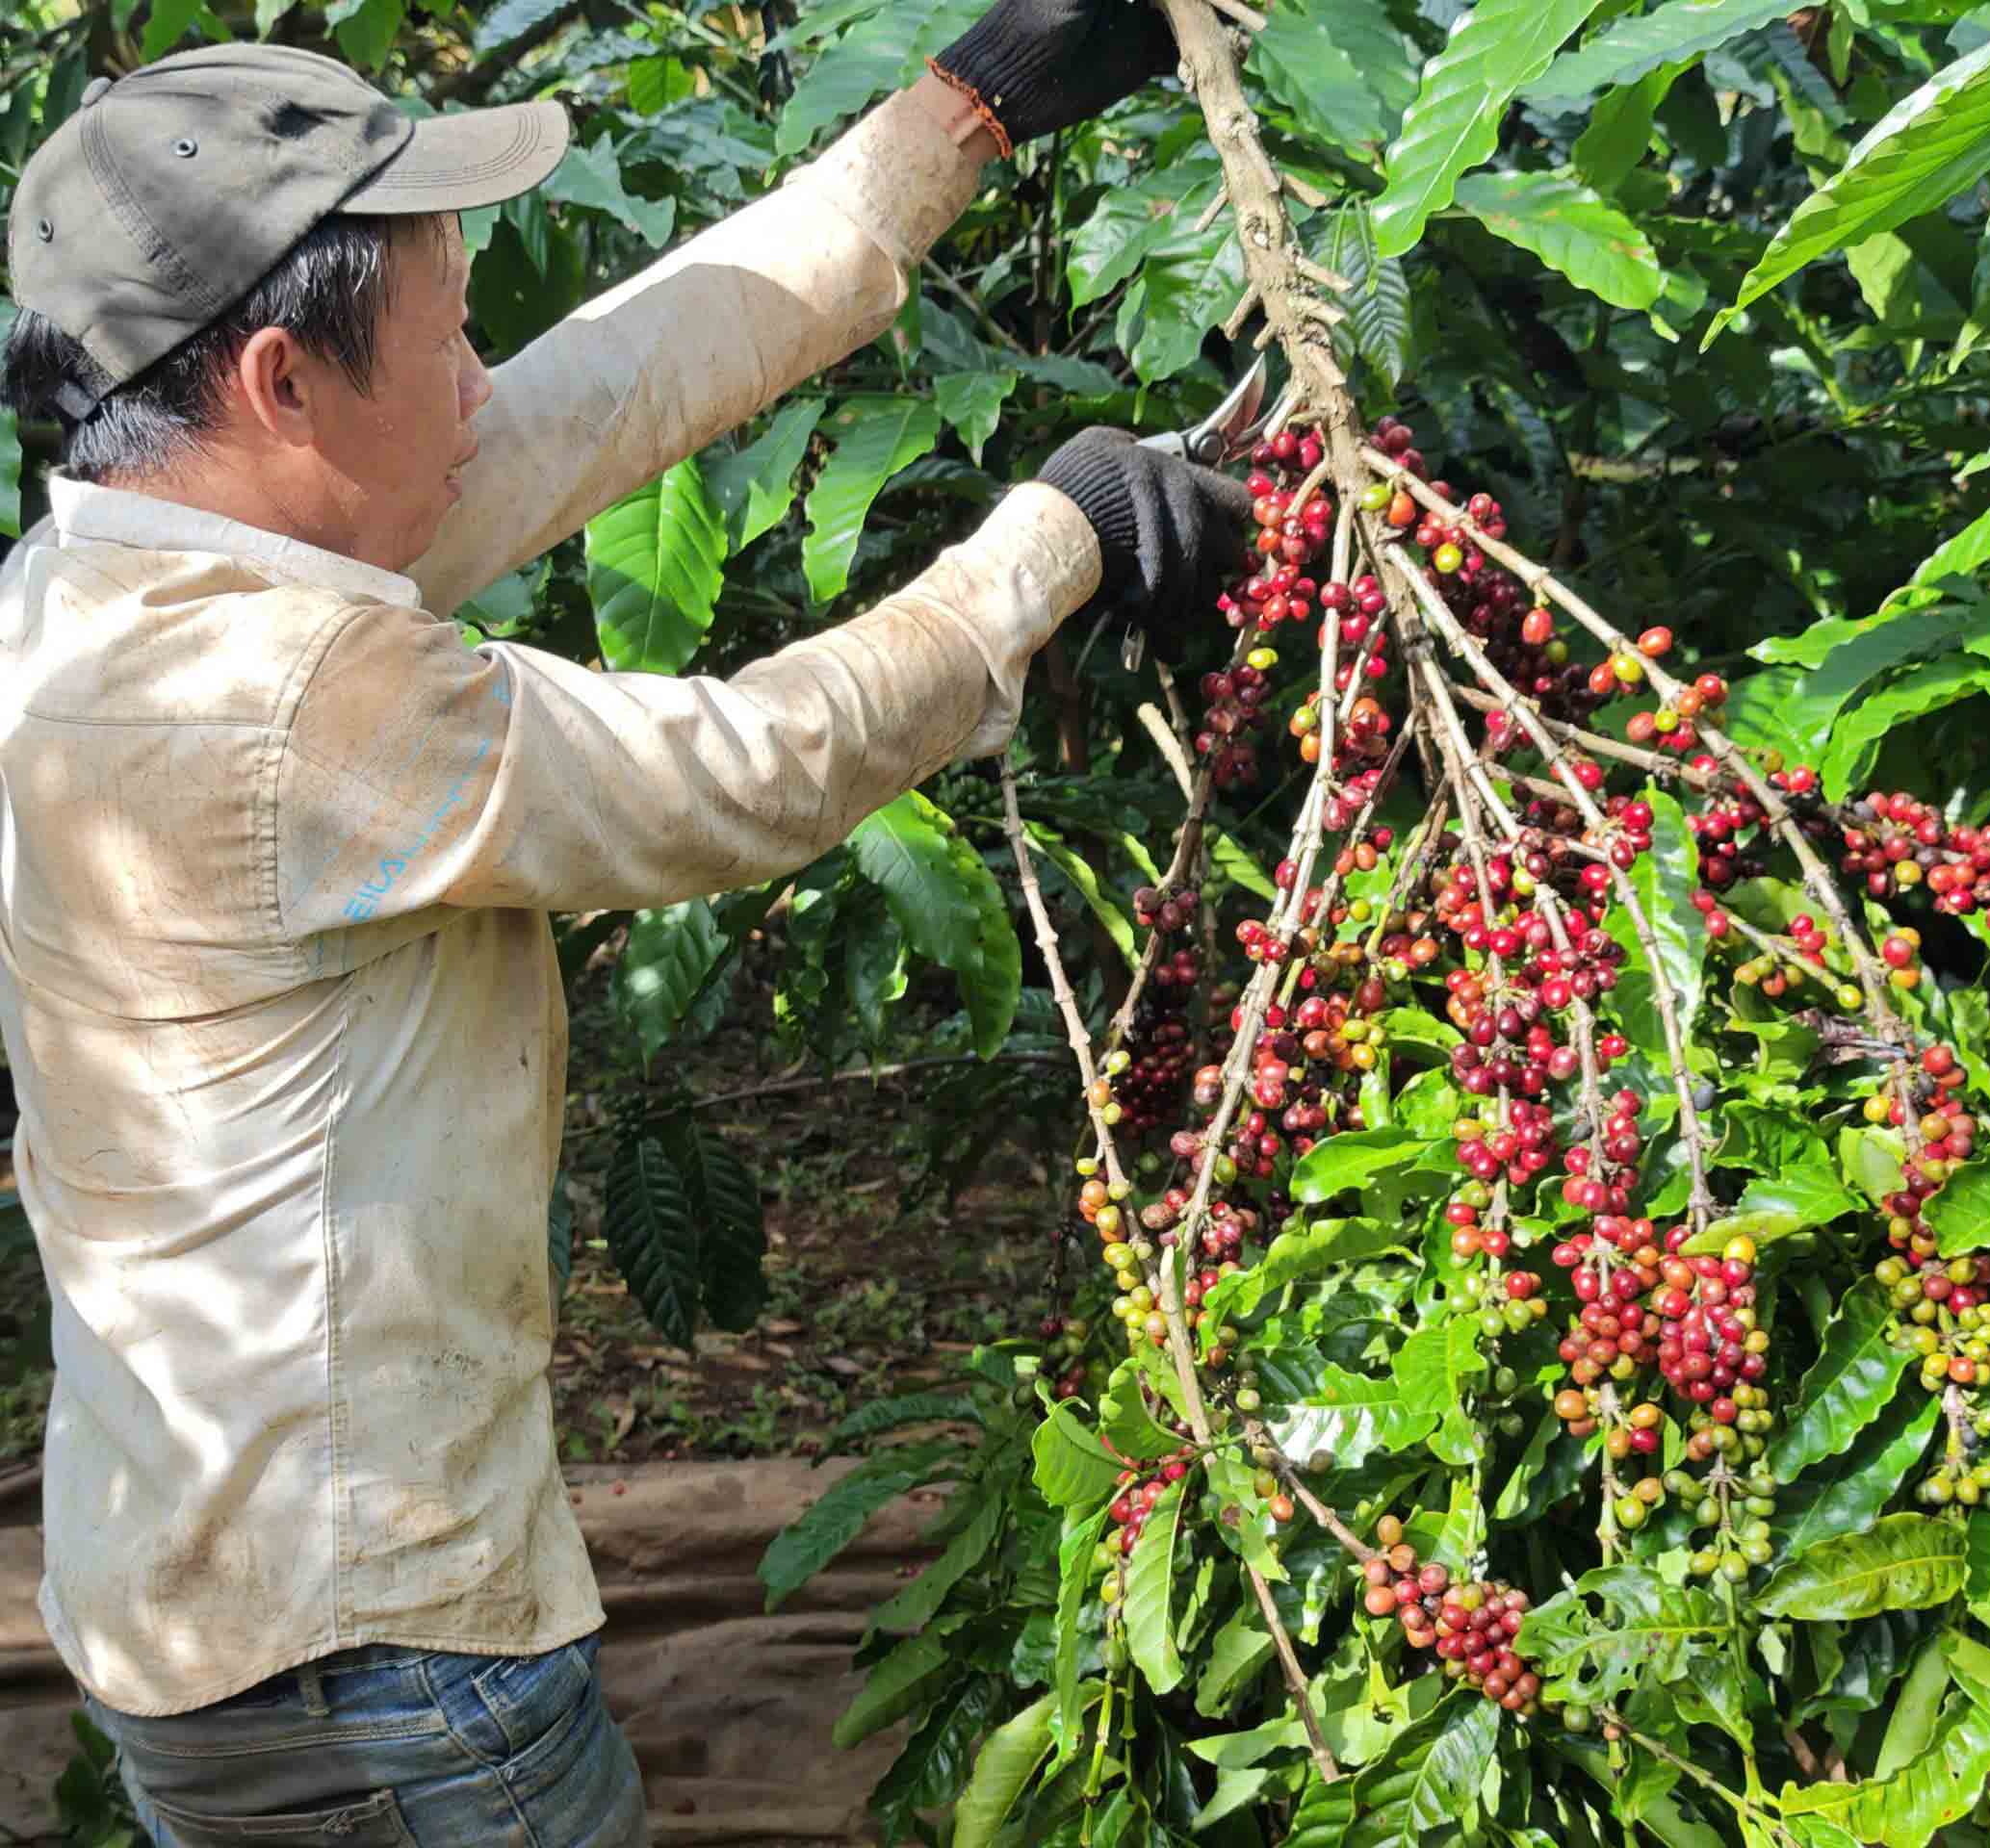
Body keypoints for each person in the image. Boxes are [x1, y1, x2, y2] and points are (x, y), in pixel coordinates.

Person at [0, 9, 1248, 1841]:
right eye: (445, 342)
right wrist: (1055, 538)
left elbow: (608, 385)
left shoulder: (102, 588)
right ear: (278, 381)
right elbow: (746, 768)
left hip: (227, 1618)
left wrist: (967, 115)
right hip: (384, 1673)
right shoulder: (288, 704)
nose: (483, 381)